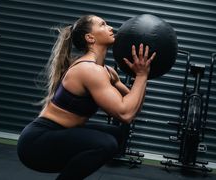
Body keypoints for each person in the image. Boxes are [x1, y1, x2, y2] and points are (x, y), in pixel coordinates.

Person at [17, 14, 156, 180]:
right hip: (36, 144)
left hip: (61, 134)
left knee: (116, 134)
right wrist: (140, 76)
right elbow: (124, 113)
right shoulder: (89, 70)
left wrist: (143, 75)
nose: (111, 28)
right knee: (106, 144)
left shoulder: (107, 71)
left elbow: (133, 107)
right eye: (103, 25)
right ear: (90, 38)